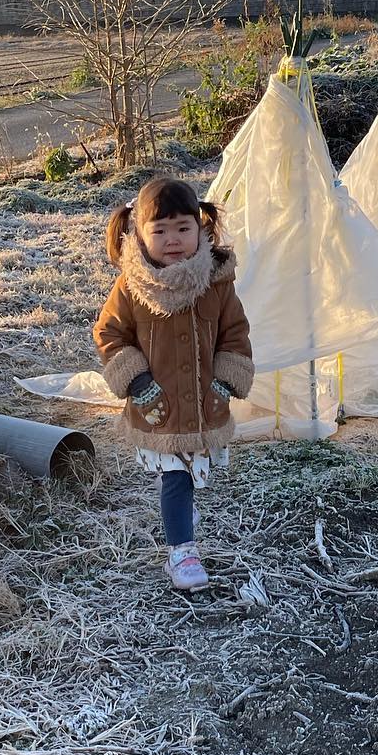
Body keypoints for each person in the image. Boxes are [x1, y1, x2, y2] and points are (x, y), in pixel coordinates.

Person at [94, 176, 254, 591]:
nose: (172, 240)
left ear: (201, 229)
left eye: (182, 228)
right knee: (176, 477)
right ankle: (182, 552)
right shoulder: (131, 286)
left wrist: (224, 383)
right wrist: (138, 381)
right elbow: (109, 334)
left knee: (192, 473)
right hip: (157, 405)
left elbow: (234, 335)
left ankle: (182, 521)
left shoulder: (217, 283)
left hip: (203, 402)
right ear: (139, 234)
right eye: (159, 230)